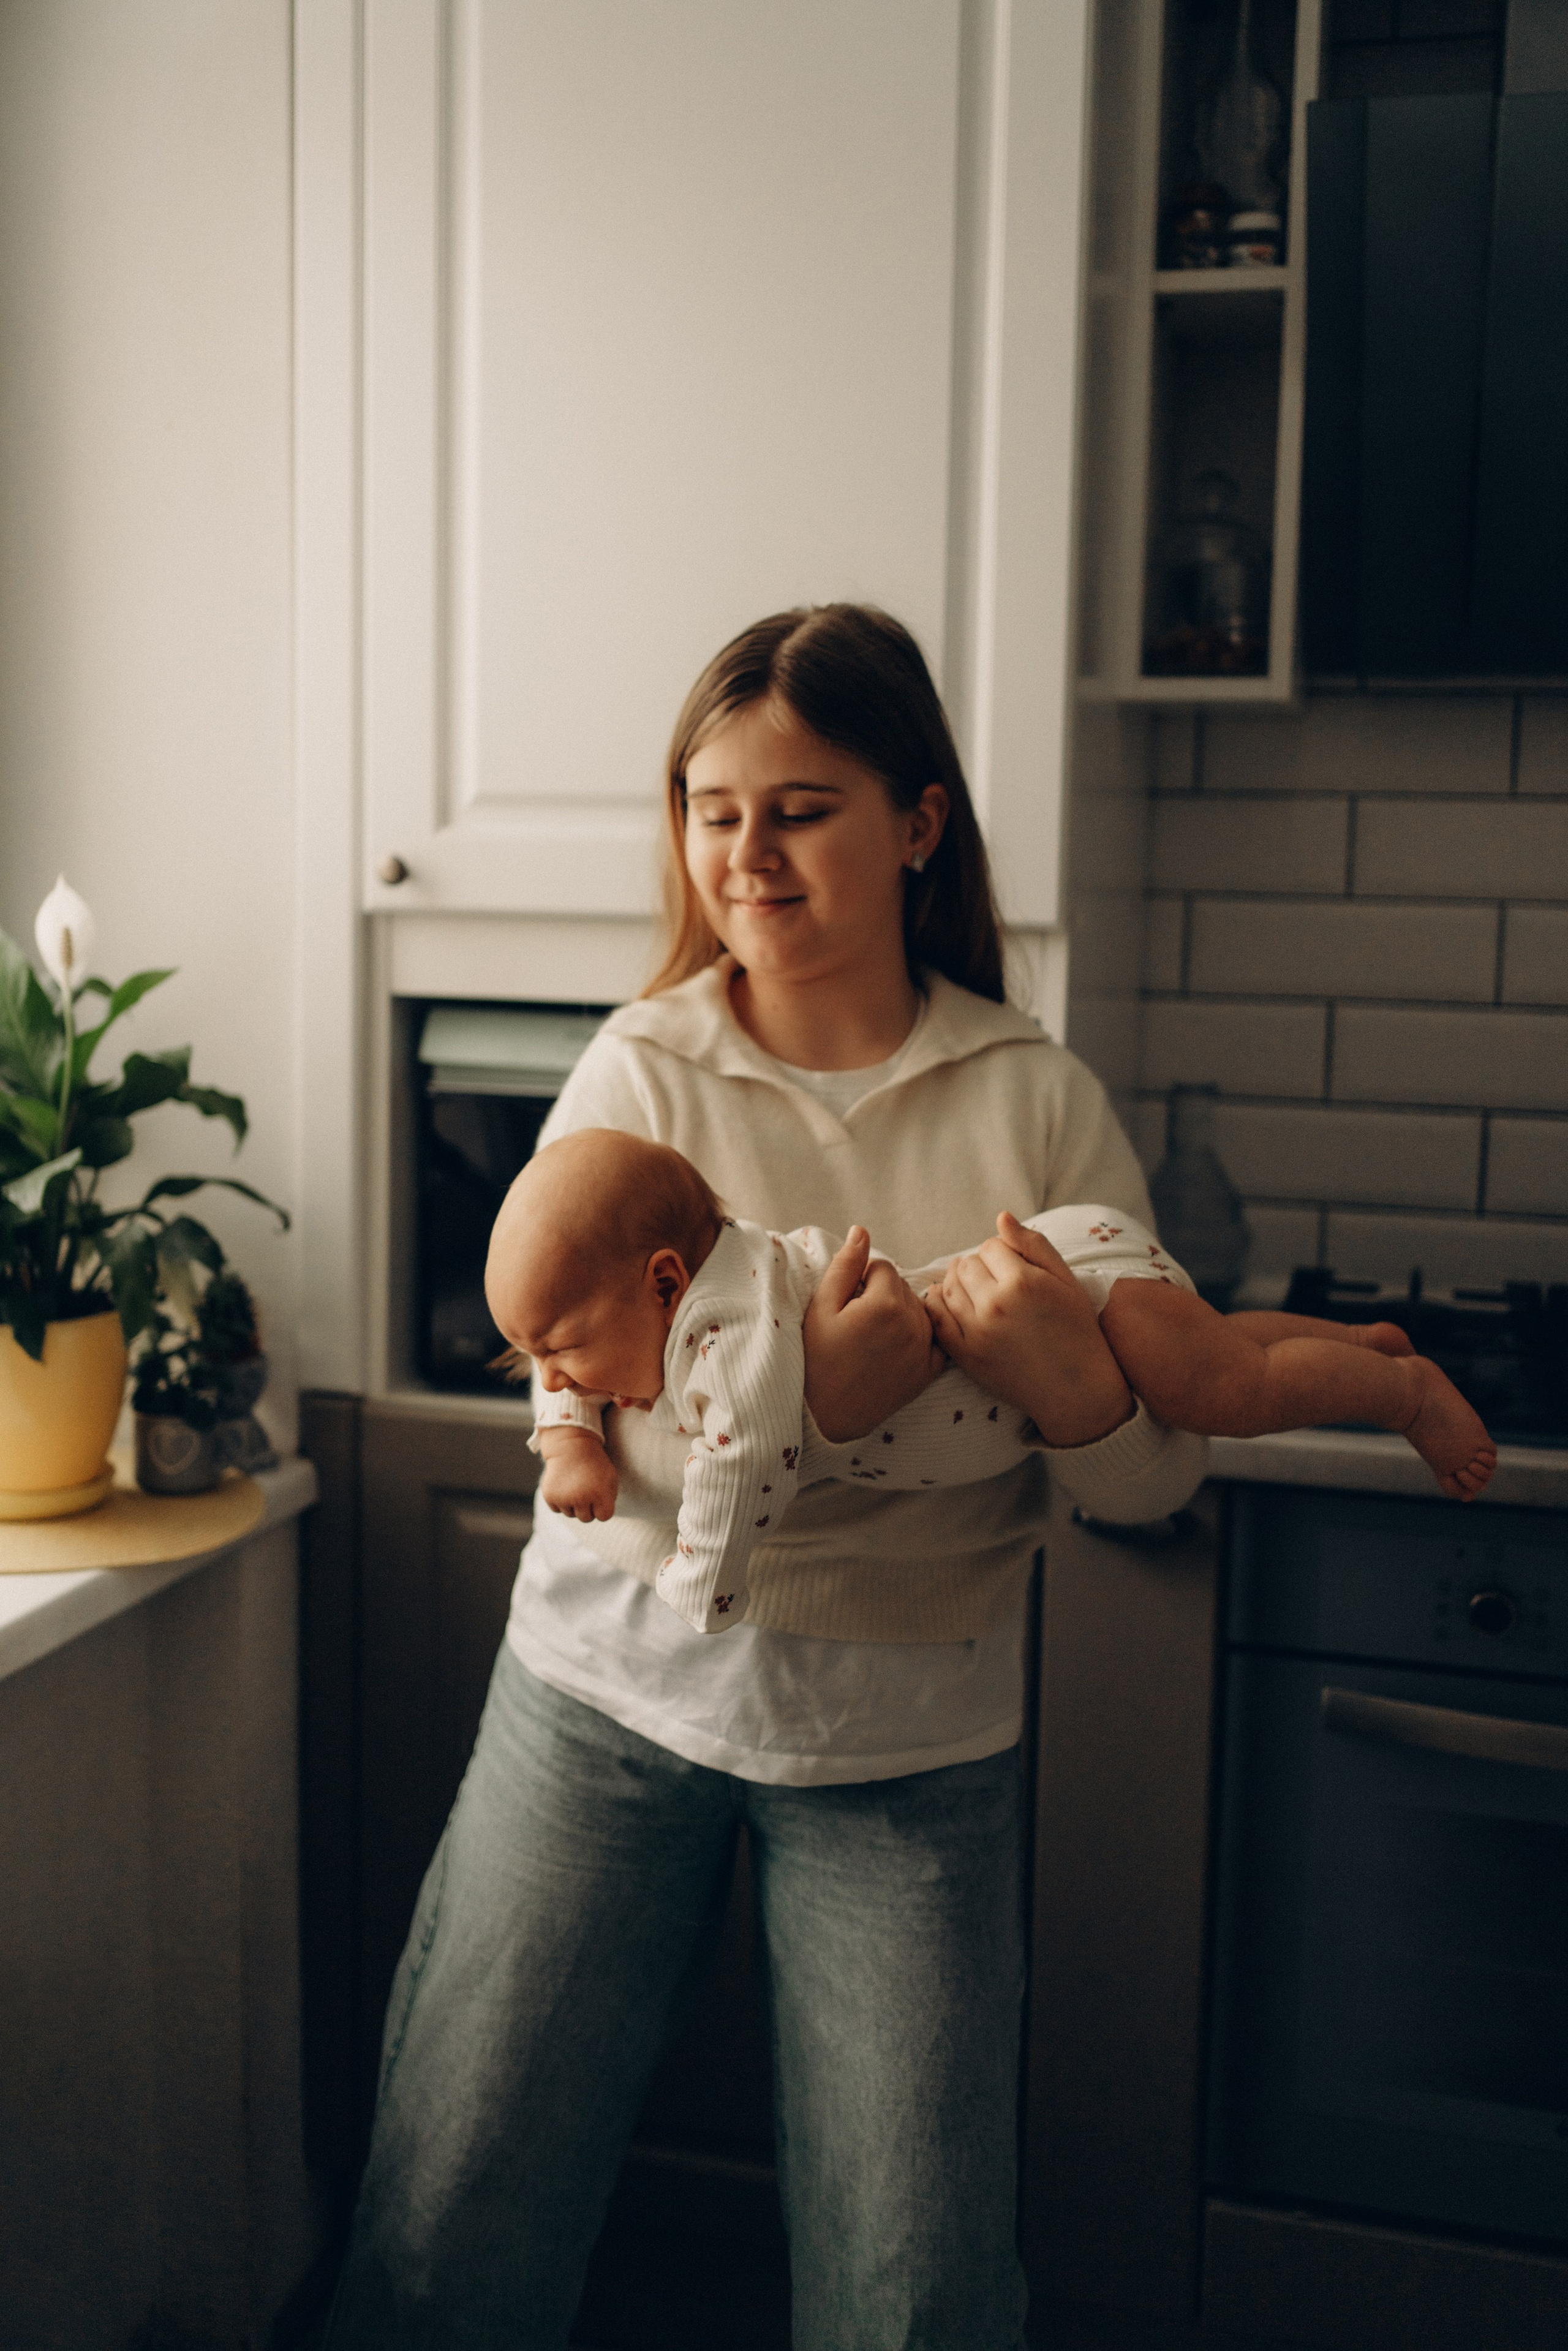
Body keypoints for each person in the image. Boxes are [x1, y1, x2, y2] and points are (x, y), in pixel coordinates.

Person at [325, 603, 1212, 2350]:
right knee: (453, 2222)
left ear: (919, 821)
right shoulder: (640, 1066)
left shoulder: (1038, 1100)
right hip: (599, 1698)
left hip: (911, 1749)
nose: (745, 852)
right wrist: (805, 1397)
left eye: (798, 805)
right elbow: (572, 1419)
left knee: (919, 2293)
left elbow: (1154, 1494)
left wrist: (1077, 1399)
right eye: (709, 806)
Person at [487, 1130, 1494, 1634]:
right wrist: (567, 1430)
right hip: (1076, 1266)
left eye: (564, 1360)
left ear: (666, 1281)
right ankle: (1362, 1343)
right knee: (1222, 1353)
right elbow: (558, 1320)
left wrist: (699, 1586)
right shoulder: (652, 1290)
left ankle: (1403, 1393)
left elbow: (744, 1460)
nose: (553, 1377)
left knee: (1226, 1392)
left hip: (1068, 1290)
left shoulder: (725, 1331)